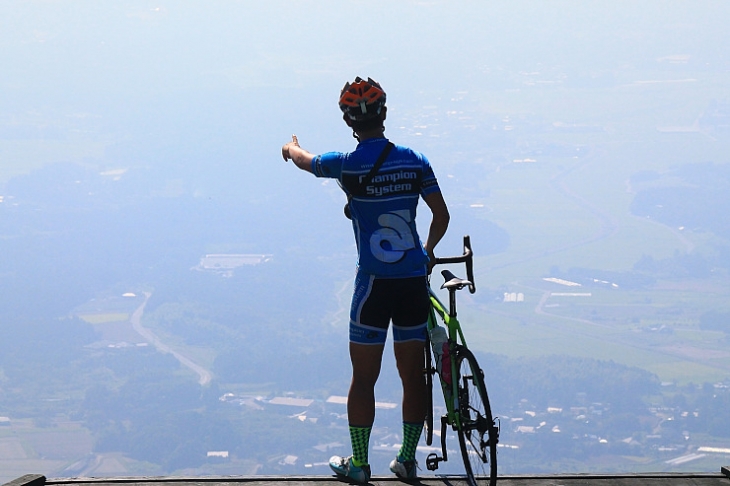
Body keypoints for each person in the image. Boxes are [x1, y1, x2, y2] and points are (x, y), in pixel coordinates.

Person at [281, 76, 450, 483]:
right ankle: (407, 460)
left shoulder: (347, 164)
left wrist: (290, 147)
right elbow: (441, 217)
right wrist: (426, 253)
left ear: (348, 120)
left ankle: (359, 465)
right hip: (411, 282)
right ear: (385, 114)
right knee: (412, 376)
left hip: (372, 285)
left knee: (364, 379)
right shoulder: (415, 160)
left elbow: (307, 161)